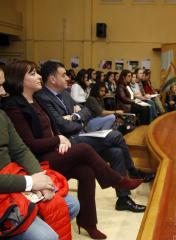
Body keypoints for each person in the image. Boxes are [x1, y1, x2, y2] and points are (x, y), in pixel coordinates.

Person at [2, 60, 143, 239]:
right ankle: (117, 180)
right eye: (33, 74)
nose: (39, 77)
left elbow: (56, 125)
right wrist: (58, 139)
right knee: (84, 149)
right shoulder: (14, 106)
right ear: (19, 79)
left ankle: (88, 222)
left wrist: (60, 139)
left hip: (54, 149)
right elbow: (28, 144)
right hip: (37, 159)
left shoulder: (37, 98)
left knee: (86, 171)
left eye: (37, 73)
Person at [34, 61, 155, 213]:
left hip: (81, 134)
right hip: (67, 142)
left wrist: (74, 116)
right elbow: (61, 126)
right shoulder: (43, 97)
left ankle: (123, 199)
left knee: (117, 153)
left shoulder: (64, 93)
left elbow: (86, 111)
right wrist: (77, 119)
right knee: (116, 135)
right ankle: (132, 170)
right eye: (63, 75)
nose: (67, 79)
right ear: (52, 79)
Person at [0, 109, 80, 240]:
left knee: (72, 204)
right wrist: (30, 182)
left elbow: (20, 150)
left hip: (12, 177)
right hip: (10, 184)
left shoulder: (2, 114)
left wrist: (40, 180)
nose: (3, 92)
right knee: (47, 237)